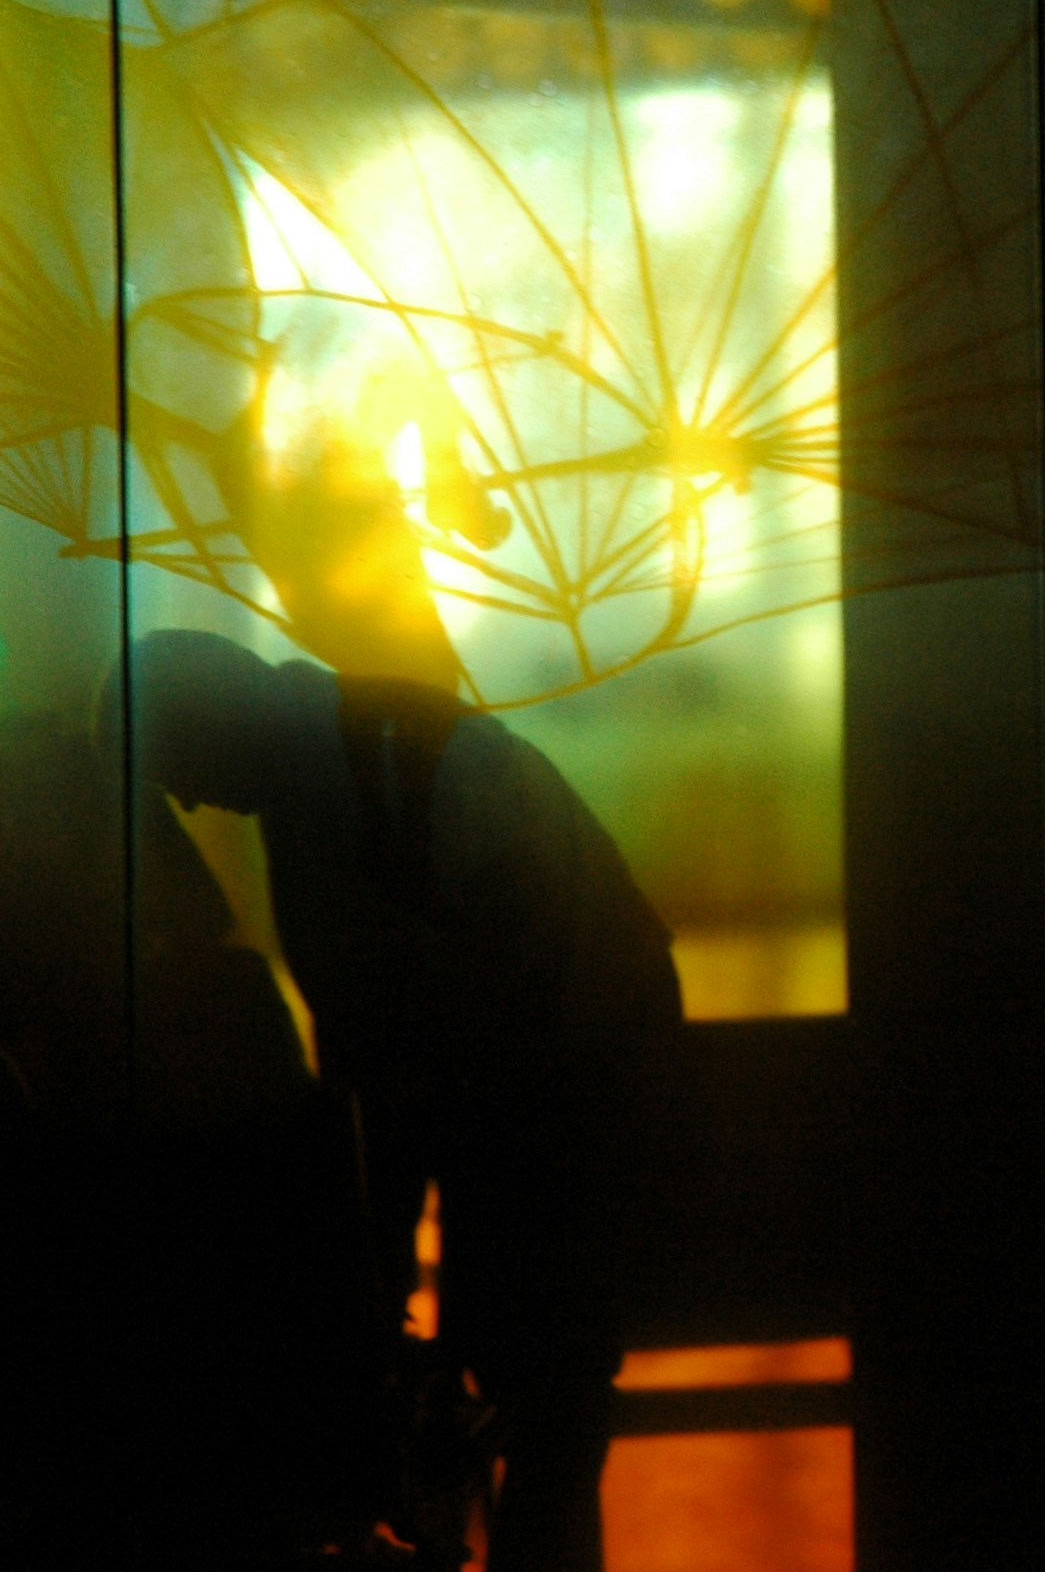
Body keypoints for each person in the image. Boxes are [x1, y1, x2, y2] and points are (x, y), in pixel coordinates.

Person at [123, 630, 684, 1572]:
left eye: (182, 766)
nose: (189, 798)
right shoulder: (349, 761)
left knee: (546, 1378)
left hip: (570, 1073)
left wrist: (391, 1221)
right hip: (566, 1067)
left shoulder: (397, 765)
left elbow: (468, 1006)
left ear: (215, 721)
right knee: (546, 1383)